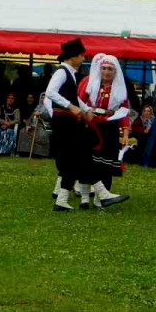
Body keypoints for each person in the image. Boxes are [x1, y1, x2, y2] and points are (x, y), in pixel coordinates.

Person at [45, 38, 128, 212]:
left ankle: (62, 200)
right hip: (64, 121)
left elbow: (74, 98)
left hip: (68, 120)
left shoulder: (70, 73)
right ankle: (103, 194)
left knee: (74, 159)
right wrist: (72, 107)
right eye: (82, 55)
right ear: (73, 56)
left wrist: (85, 109)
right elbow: (50, 92)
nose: (83, 59)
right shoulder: (62, 72)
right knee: (82, 156)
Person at [75, 54, 131, 208]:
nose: (106, 72)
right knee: (89, 160)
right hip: (91, 123)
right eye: (104, 68)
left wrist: (125, 133)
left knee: (105, 164)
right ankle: (85, 196)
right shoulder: (91, 84)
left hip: (110, 126)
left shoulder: (120, 89)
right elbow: (79, 101)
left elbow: (124, 110)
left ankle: (101, 199)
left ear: (115, 72)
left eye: (110, 69)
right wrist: (86, 113)